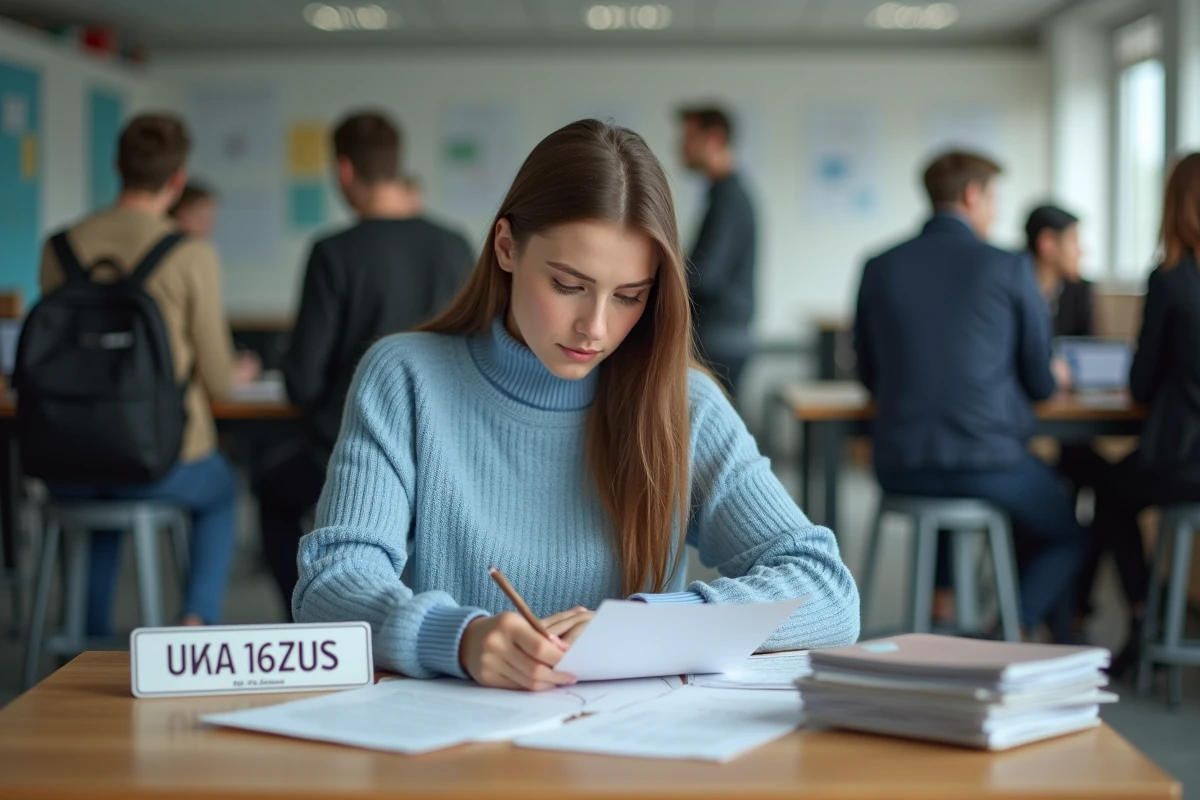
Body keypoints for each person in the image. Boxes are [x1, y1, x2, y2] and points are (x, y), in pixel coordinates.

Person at [293, 119, 859, 689]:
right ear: (507, 247)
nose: (596, 327)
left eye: (629, 297)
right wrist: (457, 638)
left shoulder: (683, 405)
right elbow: (331, 584)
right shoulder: (404, 379)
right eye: (568, 286)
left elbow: (828, 591)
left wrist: (648, 626)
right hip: (453, 737)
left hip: (630, 738)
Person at [39, 114, 259, 635]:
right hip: (159, 458)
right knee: (222, 489)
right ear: (178, 178)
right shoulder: (190, 254)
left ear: (117, 166)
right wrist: (239, 370)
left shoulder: (59, 247)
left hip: (65, 457)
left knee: (101, 484)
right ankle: (194, 622)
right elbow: (219, 381)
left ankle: (87, 639)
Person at [854, 151, 1088, 641]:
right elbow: (1040, 384)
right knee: (1068, 531)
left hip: (898, 463)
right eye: (993, 200)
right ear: (971, 195)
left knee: (950, 467)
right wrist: (1051, 374)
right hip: (988, 462)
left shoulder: (878, 266)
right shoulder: (1009, 267)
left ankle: (941, 608)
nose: (995, 213)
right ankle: (1013, 624)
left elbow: (868, 374)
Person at [254, 111, 475, 615]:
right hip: (445, 453)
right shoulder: (454, 245)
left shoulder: (333, 252)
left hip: (347, 451)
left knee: (271, 490)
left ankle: (305, 621)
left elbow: (303, 381)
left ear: (345, 170)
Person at [1093, 152, 1200, 676]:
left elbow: (1142, 383)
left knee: (1109, 492)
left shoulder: (1171, 280)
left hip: (1186, 462)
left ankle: (1143, 616)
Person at [1024, 204, 1117, 636]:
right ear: (1048, 244)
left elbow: (1092, 357)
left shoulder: (1080, 291)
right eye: (1076, 241)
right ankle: (1035, 608)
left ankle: (1076, 608)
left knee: (1101, 484)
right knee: (1042, 499)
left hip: (1069, 432)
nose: (1083, 251)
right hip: (1021, 435)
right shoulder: (1012, 286)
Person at [678, 106, 757, 399]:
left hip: (719, 339)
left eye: (689, 138)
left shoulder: (728, 198)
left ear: (713, 139)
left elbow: (705, 275)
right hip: (723, 336)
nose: (681, 147)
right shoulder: (724, 195)